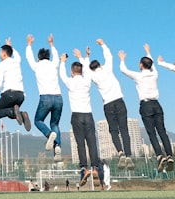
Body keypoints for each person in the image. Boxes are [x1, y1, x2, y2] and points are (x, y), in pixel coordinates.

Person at [119, 44, 173, 171]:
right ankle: (170, 155)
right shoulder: (154, 74)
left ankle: (160, 156)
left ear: (141, 65)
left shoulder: (139, 76)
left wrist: (122, 59)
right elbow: (152, 64)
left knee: (151, 133)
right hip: (157, 105)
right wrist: (148, 51)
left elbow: (123, 70)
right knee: (162, 131)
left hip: (146, 106)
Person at [82, 39, 134, 169]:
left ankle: (120, 153)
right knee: (124, 129)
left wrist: (86, 56)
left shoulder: (93, 76)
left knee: (113, 130)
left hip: (108, 105)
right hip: (119, 101)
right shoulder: (107, 70)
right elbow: (109, 56)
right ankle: (128, 155)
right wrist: (103, 44)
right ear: (100, 65)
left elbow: (86, 72)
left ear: (92, 69)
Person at [59, 51, 102, 187]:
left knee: (80, 144)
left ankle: (84, 169)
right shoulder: (86, 81)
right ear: (81, 71)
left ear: (72, 72)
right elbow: (88, 71)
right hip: (88, 115)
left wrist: (62, 61)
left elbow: (61, 74)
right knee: (92, 143)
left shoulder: (70, 82)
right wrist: (84, 57)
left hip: (76, 115)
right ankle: (95, 167)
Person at [25, 33, 63, 162]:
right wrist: (52, 44)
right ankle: (57, 146)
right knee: (55, 123)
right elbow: (57, 57)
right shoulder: (54, 64)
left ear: (39, 58)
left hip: (46, 98)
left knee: (38, 121)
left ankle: (49, 134)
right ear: (48, 56)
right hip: (58, 98)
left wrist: (29, 44)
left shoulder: (37, 65)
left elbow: (29, 58)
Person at [0, 37, 31, 131]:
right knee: (12, 115)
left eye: (0, 53)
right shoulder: (17, 61)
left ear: (4, 54)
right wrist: (10, 46)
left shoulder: (1, 64)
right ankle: (22, 114)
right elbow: (17, 55)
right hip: (21, 96)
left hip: (9, 94)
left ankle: (13, 111)